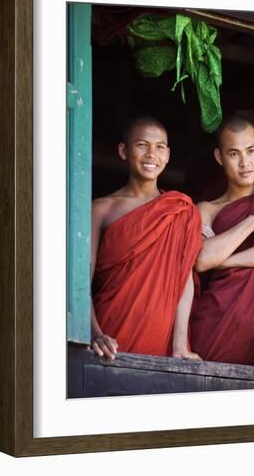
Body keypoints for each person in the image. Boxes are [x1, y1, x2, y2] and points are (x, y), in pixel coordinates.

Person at [190, 115, 254, 376]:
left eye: (250, 151)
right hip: (217, 322)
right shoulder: (207, 209)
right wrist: (252, 223)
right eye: (234, 154)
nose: (245, 162)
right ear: (219, 157)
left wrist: (226, 261)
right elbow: (202, 259)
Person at [90, 116, 202, 361]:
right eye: (142, 145)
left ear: (168, 155)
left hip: (160, 337)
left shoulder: (180, 209)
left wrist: (180, 345)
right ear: (123, 151)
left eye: (160, 147)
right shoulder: (102, 209)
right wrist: (93, 333)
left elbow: (184, 279)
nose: (152, 154)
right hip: (111, 334)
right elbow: (78, 284)